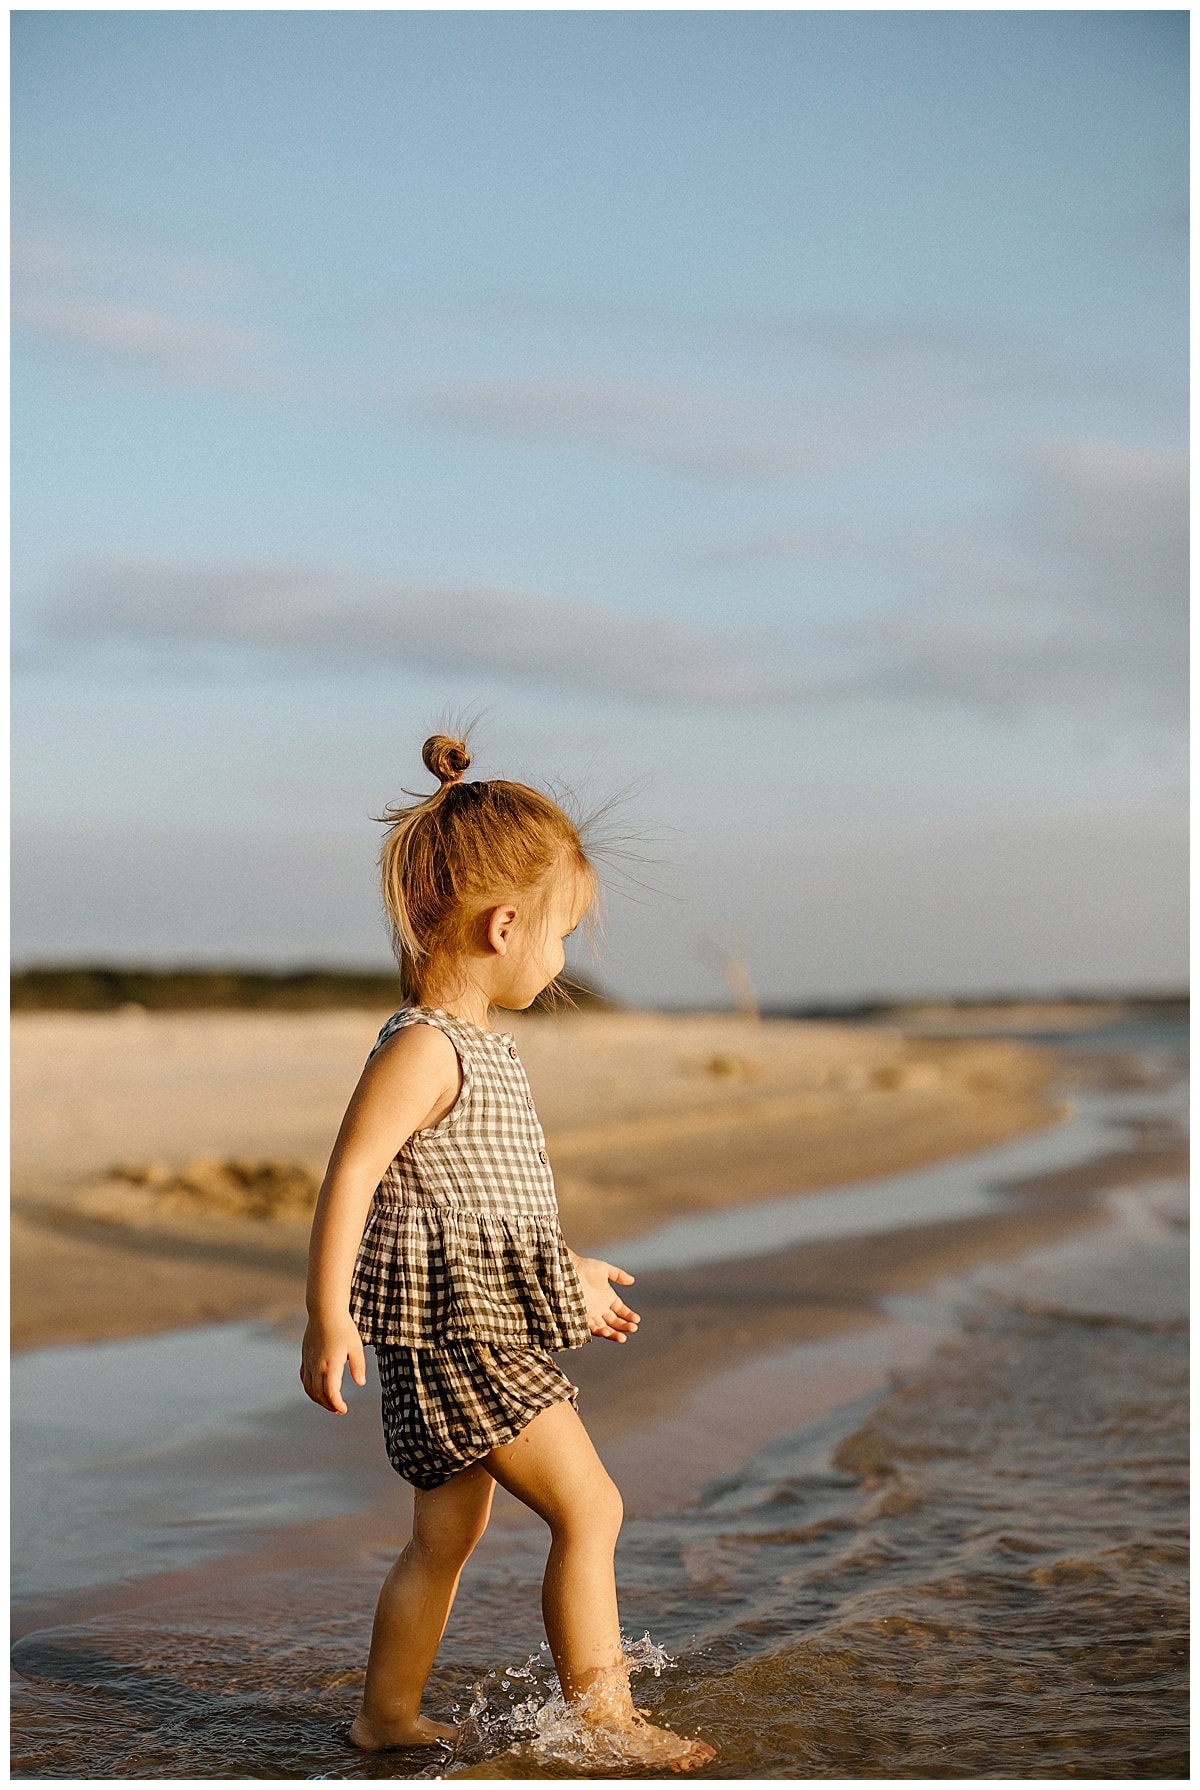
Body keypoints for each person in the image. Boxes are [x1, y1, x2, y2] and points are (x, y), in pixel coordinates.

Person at [300, 733, 716, 1771]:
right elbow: (350, 1174)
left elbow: (479, 1203)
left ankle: (385, 1716)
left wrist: (564, 1271)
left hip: (471, 1327)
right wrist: (328, 1314)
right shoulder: (425, 1046)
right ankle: (605, 1721)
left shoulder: (474, 1044)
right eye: (565, 933)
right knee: (594, 1505)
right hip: (460, 1341)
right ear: (505, 923)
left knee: (443, 1539)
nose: (563, 957)